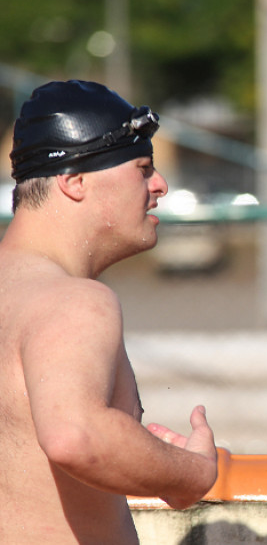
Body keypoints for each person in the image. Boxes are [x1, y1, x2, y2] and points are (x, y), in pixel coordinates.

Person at [0, 80, 218, 545]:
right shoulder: (71, 300)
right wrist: (189, 473)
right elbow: (74, 434)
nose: (159, 185)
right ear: (74, 181)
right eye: (142, 168)